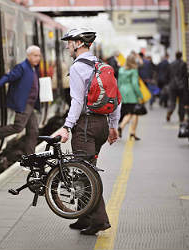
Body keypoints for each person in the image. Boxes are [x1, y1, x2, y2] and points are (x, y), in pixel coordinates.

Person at [52, 27, 120, 235]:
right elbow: (116, 99)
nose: (66, 45)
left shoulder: (77, 68)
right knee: (86, 168)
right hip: (100, 125)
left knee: (85, 172)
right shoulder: (102, 65)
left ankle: (99, 220)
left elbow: (77, 101)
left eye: (69, 42)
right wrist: (113, 126)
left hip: (86, 127)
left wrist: (66, 127)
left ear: (79, 43)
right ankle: (84, 216)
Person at [0, 45, 41, 155]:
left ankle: (31, 156)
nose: (38, 58)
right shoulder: (22, 67)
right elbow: (10, 76)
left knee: (33, 131)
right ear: (28, 56)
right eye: (35, 55)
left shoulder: (33, 68)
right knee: (18, 127)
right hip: (24, 104)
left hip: (31, 105)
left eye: (39, 56)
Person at [117, 54, 144, 140]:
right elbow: (135, 84)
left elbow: (119, 83)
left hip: (122, 91)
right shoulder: (134, 70)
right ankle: (126, 128)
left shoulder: (121, 70)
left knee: (130, 112)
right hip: (131, 92)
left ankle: (131, 131)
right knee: (134, 112)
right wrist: (140, 95)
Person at [167, 51, 188, 122]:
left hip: (172, 85)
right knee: (181, 102)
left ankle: (170, 112)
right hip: (181, 86)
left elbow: (168, 75)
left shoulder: (171, 64)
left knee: (172, 101)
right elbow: (185, 76)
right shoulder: (184, 64)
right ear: (181, 56)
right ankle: (181, 118)